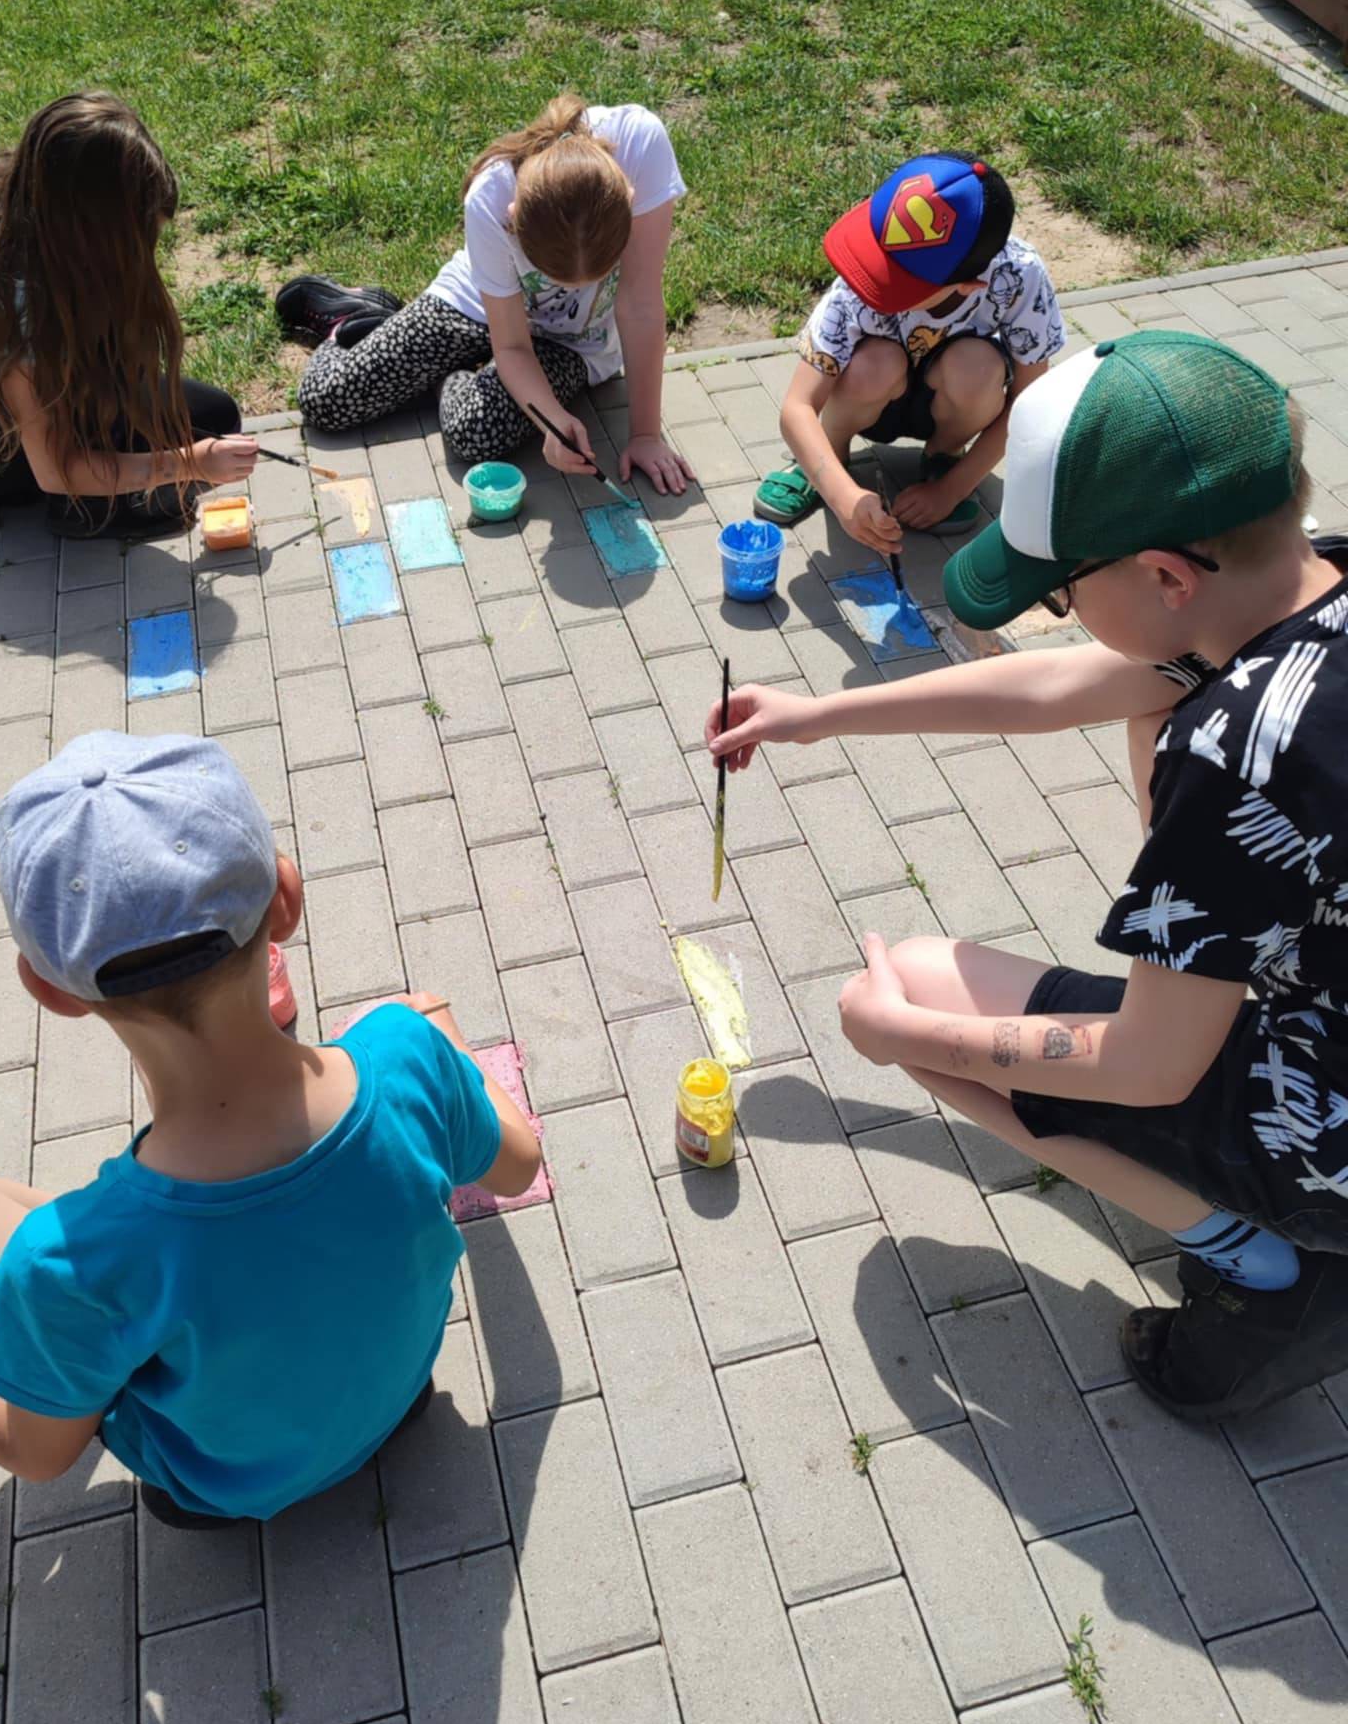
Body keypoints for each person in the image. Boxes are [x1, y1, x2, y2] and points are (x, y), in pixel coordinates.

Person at [712, 330, 1348, 1421]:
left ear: (1166, 574)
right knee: (1159, 694)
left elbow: (1146, 1067)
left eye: (1059, 592)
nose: (1056, 615)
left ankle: (1269, 1274)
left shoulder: (1237, 754)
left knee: (916, 990)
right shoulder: (1298, 583)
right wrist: (816, 716)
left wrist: (909, 1037)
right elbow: (1063, 687)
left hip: (1328, 1116)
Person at [0, 733, 542, 1523]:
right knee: (110, 1256)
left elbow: (37, 1454)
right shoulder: (408, 1058)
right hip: (397, 1406)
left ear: (49, 990)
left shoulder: (75, 1262)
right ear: (286, 901)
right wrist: (444, 1044)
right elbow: (516, 1164)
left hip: (217, 1491)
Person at [0, 92, 258, 537]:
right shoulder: (10, 290)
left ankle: (4, 486)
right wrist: (189, 463)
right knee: (177, 448)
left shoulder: (26, 199)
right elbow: (59, 469)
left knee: (213, 418)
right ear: (91, 228)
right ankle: (46, 499)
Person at [284, 93, 696, 495]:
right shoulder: (490, 196)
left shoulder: (642, 145)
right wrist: (550, 415)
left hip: (572, 343)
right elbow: (513, 345)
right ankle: (358, 319)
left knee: (475, 433)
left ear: (629, 198)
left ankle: (449, 372)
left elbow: (639, 304)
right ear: (514, 219)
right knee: (327, 400)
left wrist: (643, 435)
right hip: (480, 305)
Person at [754, 151, 1064, 556]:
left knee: (979, 368)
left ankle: (945, 458)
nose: (874, 279)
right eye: (877, 260)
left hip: (952, 398)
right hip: (872, 391)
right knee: (873, 365)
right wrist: (841, 494)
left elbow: (1028, 403)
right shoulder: (862, 277)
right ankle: (828, 453)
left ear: (969, 285)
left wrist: (952, 490)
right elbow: (797, 407)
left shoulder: (1019, 273)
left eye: (899, 281)